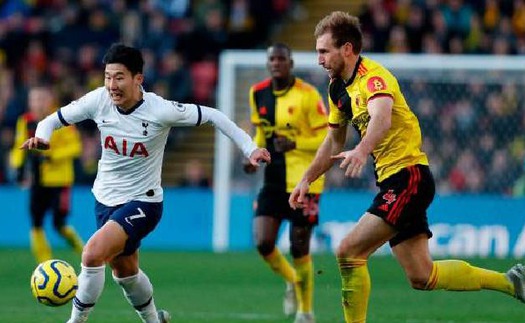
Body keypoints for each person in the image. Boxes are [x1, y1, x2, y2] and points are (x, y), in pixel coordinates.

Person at [289, 11, 525, 323]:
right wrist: (307, 178)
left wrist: (361, 149)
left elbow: (382, 118)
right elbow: (333, 141)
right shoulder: (337, 89)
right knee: (422, 275)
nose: (318, 59)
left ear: (346, 48)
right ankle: (511, 282)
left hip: (409, 177)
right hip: (395, 182)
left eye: (323, 51)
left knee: (349, 251)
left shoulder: (374, 77)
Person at [21, 43, 271, 323]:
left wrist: (250, 148)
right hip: (105, 199)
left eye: (119, 77)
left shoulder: (160, 110)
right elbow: (51, 120)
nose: (111, 85)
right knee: (125, 272)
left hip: (144, 201)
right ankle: (154, 320)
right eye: (107, 77)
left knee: (91, 255)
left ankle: (75, 321)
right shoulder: (98, 100)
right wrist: (43, 137)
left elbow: (214, 116)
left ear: (138, 78)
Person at [244, 43, 328, 323]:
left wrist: (295, 143)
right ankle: (292, 280)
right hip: (273, 180)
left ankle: (305, 312)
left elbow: (328, 138)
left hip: (305, 181)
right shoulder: (258, 93)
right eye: (272, 59)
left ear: (290, 63)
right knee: (263, 242)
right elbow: (261, 133)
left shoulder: (307, 95)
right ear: (268, 63)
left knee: (298, 247)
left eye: (282, 59)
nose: (276, 63)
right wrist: (252, 154)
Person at [9, 85, 84, 264]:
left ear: (50, 100)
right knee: (36, 224)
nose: (37, 103)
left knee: (60, 225)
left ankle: (86, 254)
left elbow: (76, 147)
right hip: (37, 181)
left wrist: (52, 156)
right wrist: (18, 167)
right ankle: (45, 265)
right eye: (33, 99)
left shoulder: (61, 119)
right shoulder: (25, 121)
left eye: (41, 99)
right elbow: (19, 146)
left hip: (60, 181)